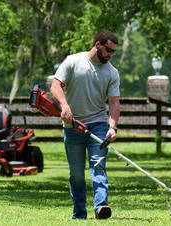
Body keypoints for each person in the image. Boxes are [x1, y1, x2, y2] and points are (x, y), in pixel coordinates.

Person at [50, 30, 120, 219]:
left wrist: (112, 127)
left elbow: (113, 102)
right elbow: (55, 86)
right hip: (73, 125)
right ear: (97, 45)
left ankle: (101, 206)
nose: (111, 55)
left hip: (98, 125)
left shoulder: (112, 72)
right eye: (108, 50)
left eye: (114, 51)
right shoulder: (73, 61)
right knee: (76, 174)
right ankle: (79, 213)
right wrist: (65, 106)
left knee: (98, 165)